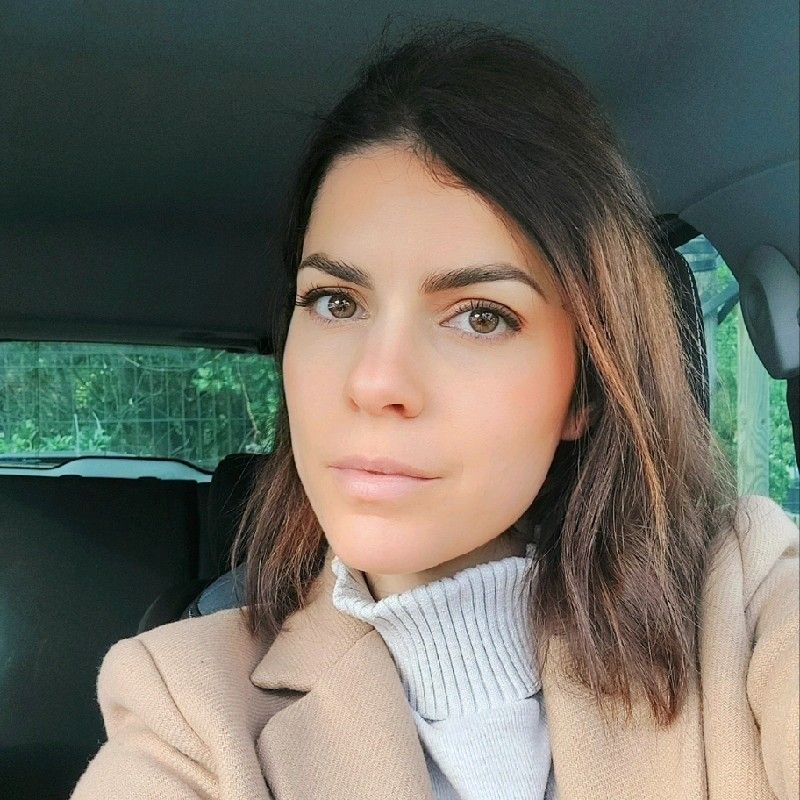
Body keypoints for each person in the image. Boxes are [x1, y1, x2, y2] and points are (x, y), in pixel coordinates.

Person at [70, 22, 799, 800]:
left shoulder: (746, 606)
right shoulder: (188, 709)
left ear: (583, 390)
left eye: (481, 316)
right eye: (335, 301)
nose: (375, 381)